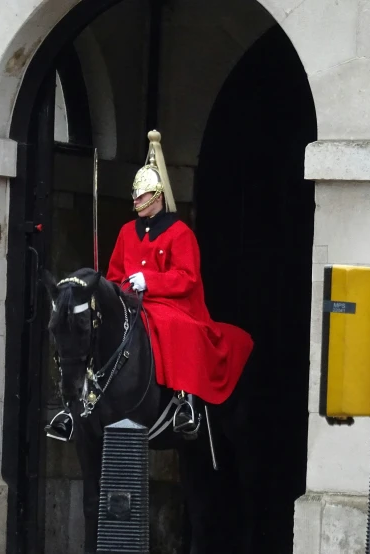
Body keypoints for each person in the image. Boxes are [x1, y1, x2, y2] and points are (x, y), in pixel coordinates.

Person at [105, 130, 254, 437]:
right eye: (135, 195)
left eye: (142, 195)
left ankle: (185, 402)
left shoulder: (179, 233)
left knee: (174, 325)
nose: (136, 200)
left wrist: (150, 281)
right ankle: (82, 402)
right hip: (131, 301)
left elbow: (187, 278)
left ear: (157, 196)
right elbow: (113, 275)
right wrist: (122, 290)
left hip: (173, 304)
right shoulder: (124, 232)